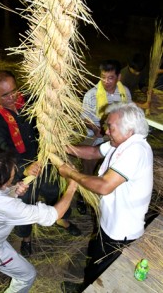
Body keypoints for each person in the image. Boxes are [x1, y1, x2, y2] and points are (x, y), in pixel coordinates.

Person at [56, 102, 153, 293]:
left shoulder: (136, 151)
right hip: (110, 221)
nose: (105, 131)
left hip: (121, 230)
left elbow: (104, 186)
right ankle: (85, 285)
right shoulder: (122, 142)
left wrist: (72, 174)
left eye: (111, 127)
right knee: (95, 256)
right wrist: (63, 147)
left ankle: (88, 288)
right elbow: (93, 152)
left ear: (129, 131)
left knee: (102, 269)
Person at [0, 70, 81, 257]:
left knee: (52, 190)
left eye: (14, 91)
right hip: (20, 170)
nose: (12, 97)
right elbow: (5, 149)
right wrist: (24, 167)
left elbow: (45, 122)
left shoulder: (28, 99)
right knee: (24, 204)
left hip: (43, 159)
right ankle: (26, 238)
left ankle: (60, 219)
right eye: (5, 95)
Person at [0, 149, 78, 293]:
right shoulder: (8, 208)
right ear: (3, 184)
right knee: (27, 276)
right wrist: (72, 186)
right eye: (13, 171)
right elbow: (54, 214)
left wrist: (14, 190)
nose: (16, 168)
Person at [77, 60, 132, 215]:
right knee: (88, 161)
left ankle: (111, 189)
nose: (106, 81)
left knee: (120, 160)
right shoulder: (92, 95)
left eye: (110, 78)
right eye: (103, 77)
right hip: (96, 135)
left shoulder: (125, 92)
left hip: (116, 134)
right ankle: (83, 195)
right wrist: (95, 128)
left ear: (118, 77)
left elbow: (127, 114)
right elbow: (84, 118)